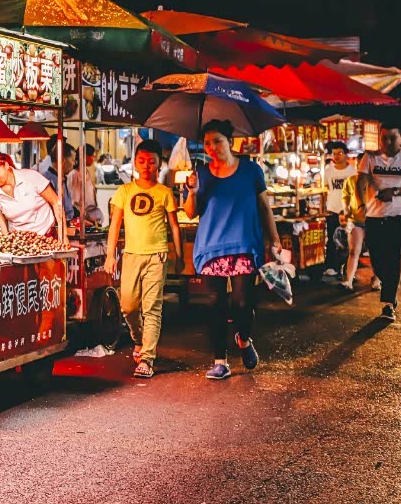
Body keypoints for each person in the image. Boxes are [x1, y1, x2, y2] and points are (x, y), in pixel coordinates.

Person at [183, 119, 282, 380]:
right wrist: (192, 192)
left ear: (230, 142)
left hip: (244, 245)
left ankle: (244, 338)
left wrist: (274, 239)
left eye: (217, 141)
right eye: (207, 143)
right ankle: (220, 360)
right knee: (215, 304)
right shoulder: (201, 174)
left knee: (242, 302)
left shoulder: (250, 170)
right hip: (210, 247)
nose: (212, 147)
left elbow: (264, 207)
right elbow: (191, 212)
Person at [104, 139, 182, 379]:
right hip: (131, 255)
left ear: (159, 163)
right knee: (128, 306)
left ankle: (147, 358)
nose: (146, 165)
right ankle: (139, 339)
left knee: (152, 308)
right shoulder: (124, 191)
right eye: (142, 161)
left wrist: (179, 256)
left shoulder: (164, 192)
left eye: (151, 161)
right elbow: (115, 225)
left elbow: (174, 227)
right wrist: (110, 255)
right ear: (135, 163)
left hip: (157, 256)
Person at [356, 125, 401, 320]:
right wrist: (361, 204)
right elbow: (360, 182)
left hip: (397, 216)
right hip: (373, 215)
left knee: (392, 258)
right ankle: (390, 286)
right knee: (376, 260)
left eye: (392, 138)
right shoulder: (370, 157)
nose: (388, 142)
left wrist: (395, 191)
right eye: (384, 138)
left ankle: (388, 303)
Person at [0, 150, 60, 236]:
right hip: (19, 240)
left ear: (6, 166)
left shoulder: (31, 177)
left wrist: (63, 236)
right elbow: (0, 225)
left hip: (47, 235)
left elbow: (56, 202)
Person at [322, 141, 357, 277]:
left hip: (348, 211)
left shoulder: (352, 171)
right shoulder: (329, 171)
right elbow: (326, 189)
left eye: (340, 153)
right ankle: (332, 266)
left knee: (349, 241)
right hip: (332, 210)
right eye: (334, 154)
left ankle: (348, 269)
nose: (336, 156)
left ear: (345, 154)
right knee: (332, 239)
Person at [339, 170, 376, 292]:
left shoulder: (376, 180)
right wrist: (346, 209)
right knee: (354, 251)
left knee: (375, 252)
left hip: (374, 219)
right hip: (355, 219)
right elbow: (345, 196)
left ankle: (376, 279)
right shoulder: (351, 180)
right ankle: (348, 281)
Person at [41, 135, 76, 220]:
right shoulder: (48, 180)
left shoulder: (62, 178)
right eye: (73, 160)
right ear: (63, 161)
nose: (74, 163)